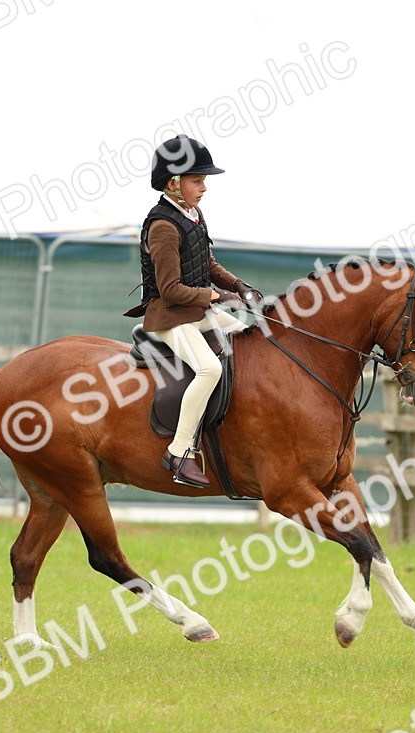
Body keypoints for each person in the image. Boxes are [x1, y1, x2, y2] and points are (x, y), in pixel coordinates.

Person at [123, 135, 263, 487]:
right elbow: (170, 289)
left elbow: (207, 263)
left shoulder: (192, 214)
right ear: (174, 183)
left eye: (203, 181)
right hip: (170, 316)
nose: (204, 187)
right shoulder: (163, 227)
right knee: (209, 368)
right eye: (197, 181)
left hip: (197, 311)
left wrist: (239, 286)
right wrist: (214, 297)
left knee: (251, 337)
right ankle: (179, 451)